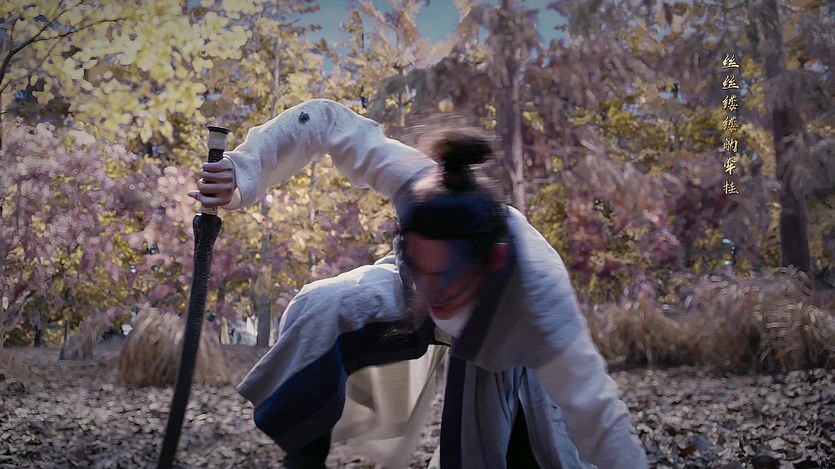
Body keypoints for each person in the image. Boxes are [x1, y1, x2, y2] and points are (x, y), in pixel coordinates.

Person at [189, 98, 648, 468]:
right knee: (320, 306)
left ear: (491, 261)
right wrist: (243, 171)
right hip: (403, 283)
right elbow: (325, 121)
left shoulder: (539, 301)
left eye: (444, 278)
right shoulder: (419, 184)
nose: (431, 297)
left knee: (507, 453)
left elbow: (599, 415)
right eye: (421, 265)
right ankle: (303, 458)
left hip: (499, 342)